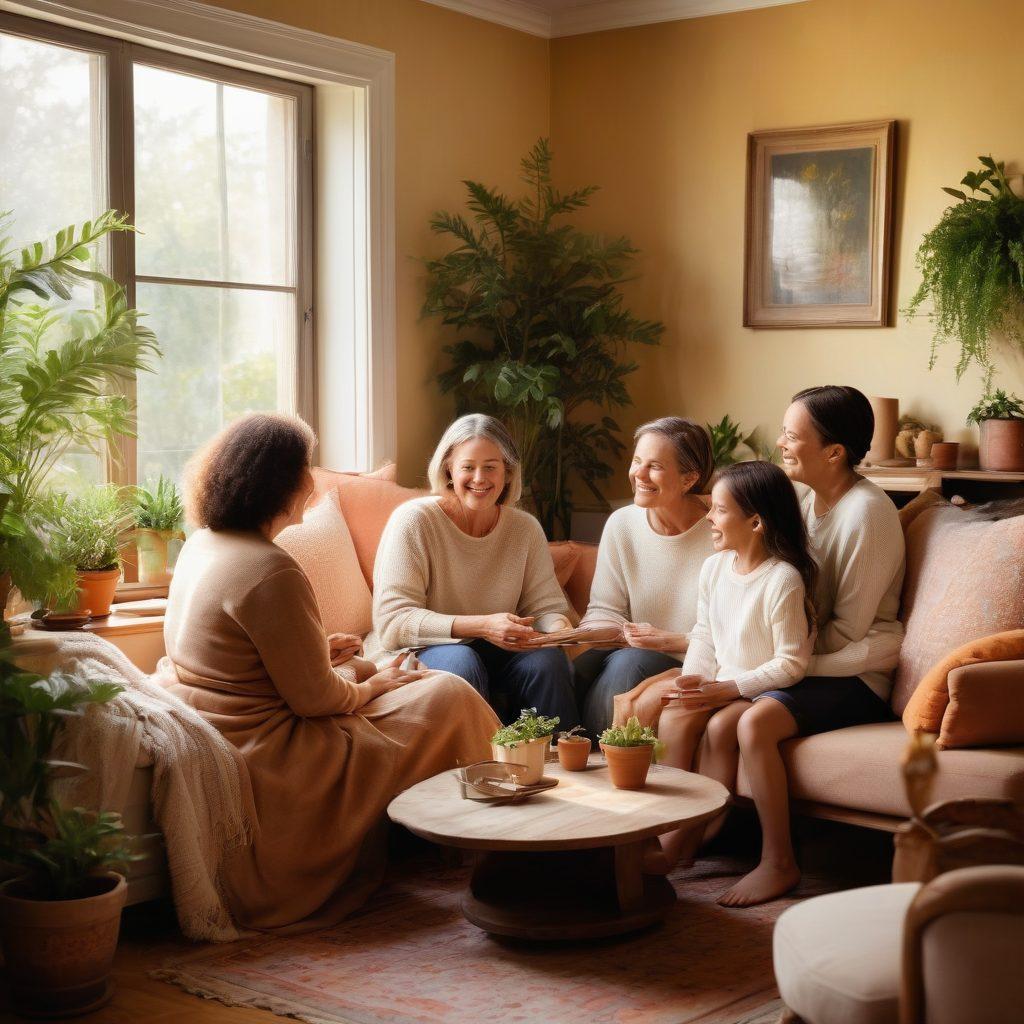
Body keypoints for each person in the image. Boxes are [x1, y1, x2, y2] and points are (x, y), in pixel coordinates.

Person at [163, 412, 498, 932]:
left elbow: (239, 648)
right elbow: (316, 702)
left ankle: (458, 838)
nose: (313, 478)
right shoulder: (269, 568)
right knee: (448, 693)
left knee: (418, 679)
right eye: (306, 467)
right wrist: (374, 682)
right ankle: (504, 849)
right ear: (285, 481)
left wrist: (321, 649)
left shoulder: (204, 543)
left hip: (217, 716)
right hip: (270, 746)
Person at [658, 385, 904, 906]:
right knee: (715, 717)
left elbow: (849, 630)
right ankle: (682, 844)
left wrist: (752, 677)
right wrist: (731, 677)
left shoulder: (867, 514)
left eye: (793, 436)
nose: (781, 443)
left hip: (851, 674)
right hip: (793, 662)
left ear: (834, 452)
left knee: (752, 720)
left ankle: (779, 861)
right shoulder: (808, 501)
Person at [654, 461, 815, 885]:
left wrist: (729, 688)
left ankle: (683, 842)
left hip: (757, 689)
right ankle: (671, 833)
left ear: (756, 521)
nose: (708, 516)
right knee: (672, 713)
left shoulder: (782, 580)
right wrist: (693, 679)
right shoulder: (714, 568)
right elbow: (704, 635)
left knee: (723, 726)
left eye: (719, 510)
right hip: (722, 682)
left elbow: (791, 663)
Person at [364, 413, 580, 727]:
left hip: (498, 650)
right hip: (421, 648)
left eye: (490, 467)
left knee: (547, 661)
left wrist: (558, 628)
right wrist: (482, 626)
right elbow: (393, 622)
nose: (479, 479)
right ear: (448, 467)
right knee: (460, 661)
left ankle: (563, 765)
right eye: (468, 467)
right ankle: (476, 769)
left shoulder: (524, 528)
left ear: (507, 472)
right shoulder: (414, 521)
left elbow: (544, 605)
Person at [539, 417, 715, 739]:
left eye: (654, 466)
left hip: (690, 656)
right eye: (637, 461)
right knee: (555, 666)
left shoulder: (721, 531)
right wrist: (569, 635)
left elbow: (734, 629)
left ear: (690, 478)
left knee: (627, 664)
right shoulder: (622, 523)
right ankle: (556, 752)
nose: (638, 475)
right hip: (629, 651)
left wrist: (664, 638)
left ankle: (595, 756)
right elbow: (605, 609)